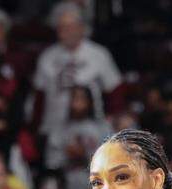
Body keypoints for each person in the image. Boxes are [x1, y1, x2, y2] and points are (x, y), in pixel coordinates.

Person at [33, 2, 122, 137]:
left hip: (93, 129)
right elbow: (39, 98)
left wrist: (113, 121)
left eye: (71, 27)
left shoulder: (99, 54)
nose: (67, 32)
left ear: (81, 28)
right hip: (55, 129)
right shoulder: (47, 57)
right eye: (62, 27)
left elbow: (115, 92)